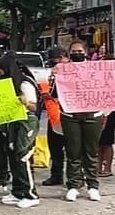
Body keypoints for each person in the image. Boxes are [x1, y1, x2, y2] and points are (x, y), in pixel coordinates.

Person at [61, 40, 108, 202]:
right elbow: (54, 94)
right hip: (70, 117)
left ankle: (93, 186)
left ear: (86, 52)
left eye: (80, 51)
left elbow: (109, 87)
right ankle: (74, 185)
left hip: (92, 116)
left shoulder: (97, 70)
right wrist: (54, 76)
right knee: (73, 152)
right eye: (74, 51)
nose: (77, 54)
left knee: (91, 152)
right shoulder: (63, 70)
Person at [0, 53, 41, 209]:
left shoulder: (24, 84)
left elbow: (34, 106)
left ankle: (30, 194)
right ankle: (18, 191)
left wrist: (25, 102)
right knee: (12, 155)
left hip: (26, 122)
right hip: (13, 122)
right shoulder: (7, 85)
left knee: (22, 156)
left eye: (1, 72)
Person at [42, 48, 67, 186]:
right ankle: (56, 175)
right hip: (54, 114)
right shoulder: (51, 73)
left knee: (73, 148)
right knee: (55, 146)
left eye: (57, 59)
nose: (55, 62)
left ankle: (75, 177)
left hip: (70, 115)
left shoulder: (74, 71)